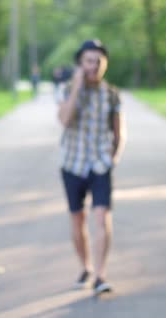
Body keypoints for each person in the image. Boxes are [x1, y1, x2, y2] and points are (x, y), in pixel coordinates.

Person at [57, 39, 126, 295]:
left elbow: (119, 131)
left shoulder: (111, 94)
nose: (94, 66)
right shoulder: (66, 90)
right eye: (89, 61)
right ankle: (85, 267)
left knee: (101, 216)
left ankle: (100, 275)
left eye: (99, 61)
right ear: (80, 64)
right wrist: (77, 86)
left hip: (99, 164)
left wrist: (114, 155)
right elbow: (64, 120)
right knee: (78, 219)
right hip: (72, 164)